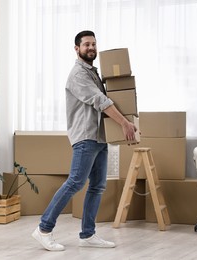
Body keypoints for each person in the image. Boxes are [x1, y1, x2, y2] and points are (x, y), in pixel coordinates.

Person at [32, 30, 137, 251]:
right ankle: (43, 229)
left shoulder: (93, 72)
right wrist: (125, 123)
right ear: (77, 48)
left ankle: (88, 234)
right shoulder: (78, 75)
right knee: (75, 182)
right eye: (86, 44)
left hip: (99, 137)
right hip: (85, 137)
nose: (91, 48)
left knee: (98, 186)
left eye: (94, 44)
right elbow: (100, 101)